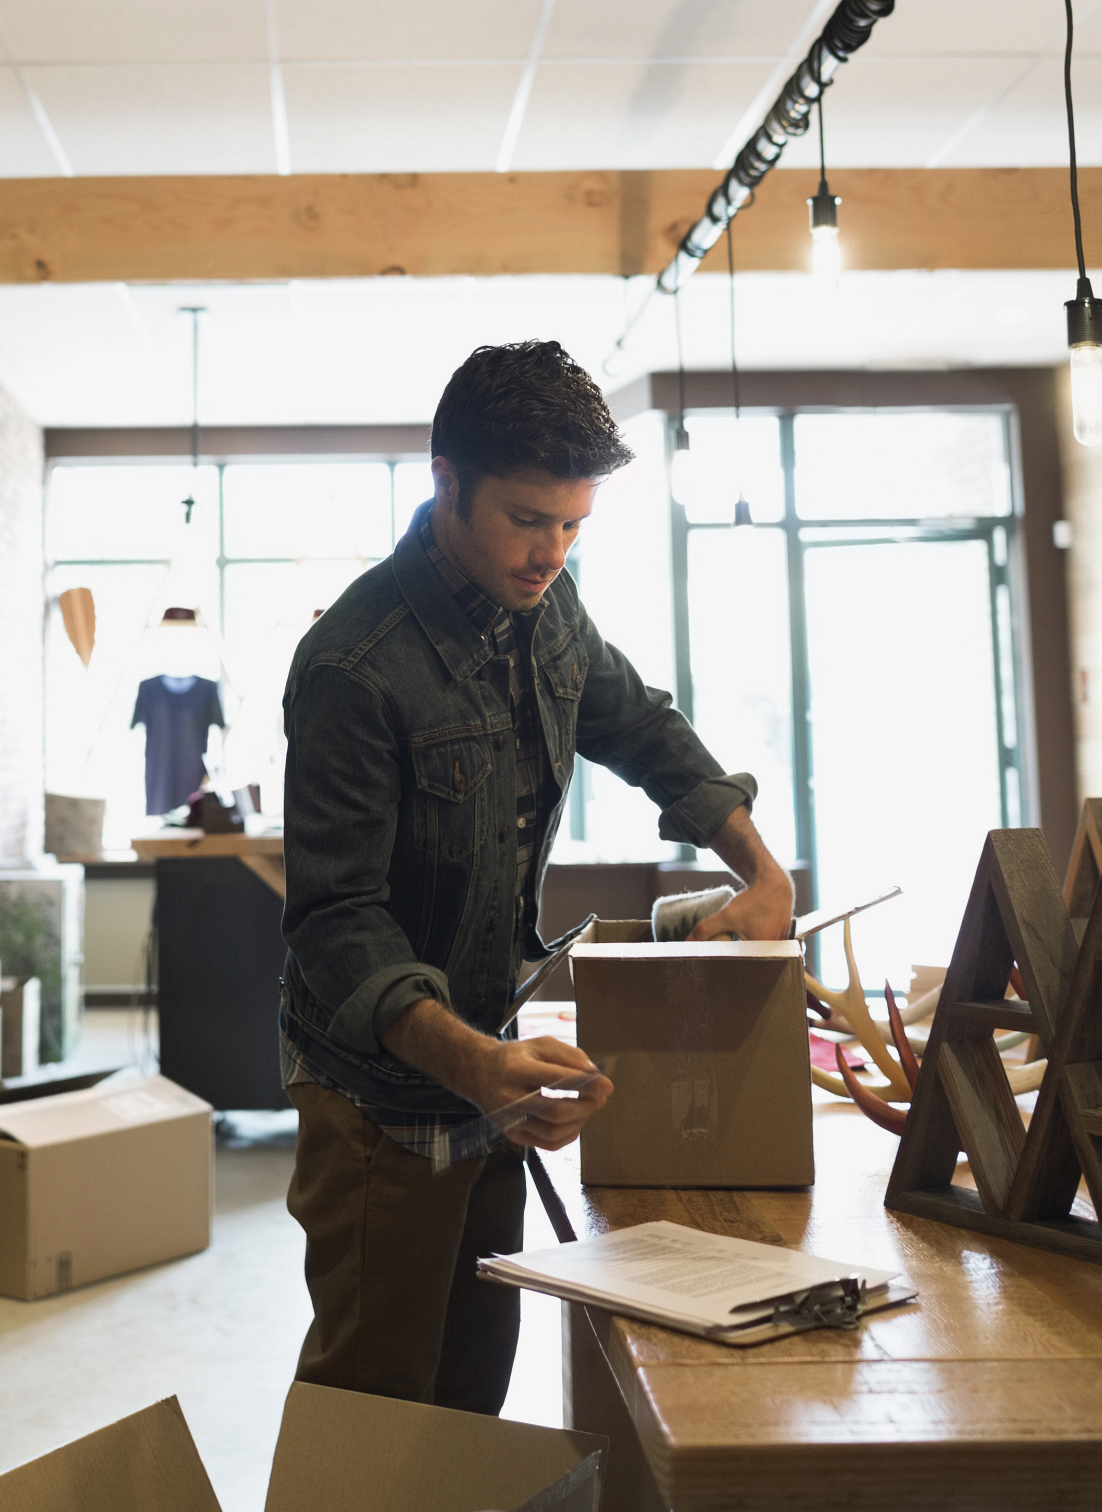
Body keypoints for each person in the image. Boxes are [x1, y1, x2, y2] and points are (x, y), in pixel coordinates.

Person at [278, 341, 793, 1414]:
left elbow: (639, 722)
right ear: (446, 481)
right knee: (373, 1400)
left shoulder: (544, 604)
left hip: (488, 1060)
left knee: (472, 1380)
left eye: (572, 525)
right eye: (525, 518)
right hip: (380, 1093)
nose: (549, 552)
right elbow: (336, 923)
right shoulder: (352, 666)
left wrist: (756, 862)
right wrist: (470, 1061)